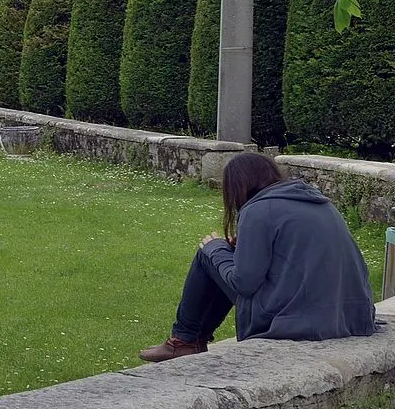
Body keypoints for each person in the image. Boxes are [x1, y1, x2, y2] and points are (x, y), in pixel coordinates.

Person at [141, 152, 379, 362]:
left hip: (295, 320)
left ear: (237, 186)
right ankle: (191, 341)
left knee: (208, 254)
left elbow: (244, 283)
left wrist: (215, 250)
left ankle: (184, 341)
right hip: (349, 317)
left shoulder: (257, 210)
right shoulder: (319, 202)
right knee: (223, 254)